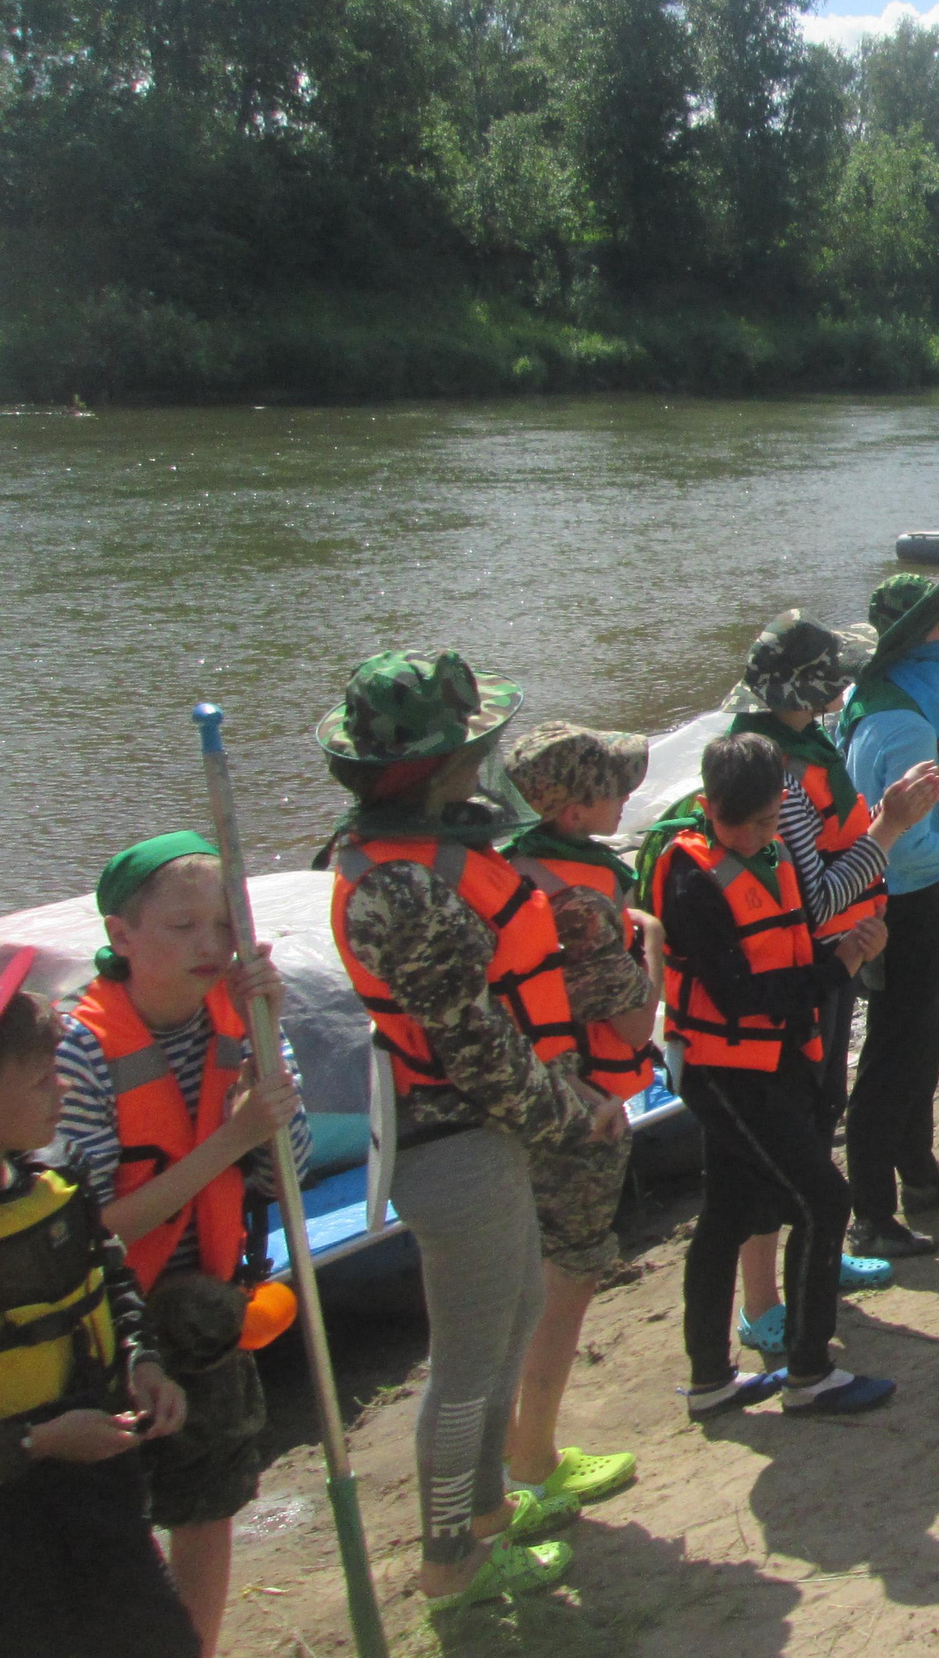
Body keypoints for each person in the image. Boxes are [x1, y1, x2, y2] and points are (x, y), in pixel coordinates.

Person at [320, 648, 617, 1611]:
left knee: (512, 1321)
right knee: (466, 1365)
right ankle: (450, 1565)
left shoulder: (428, 855)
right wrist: (580, 1117)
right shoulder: (399, 890)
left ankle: (489, 1519)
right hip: (455, 1145)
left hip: (484, 1139)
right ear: (432, 765)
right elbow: (477, 1052)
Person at [56, 833, 310, 1656]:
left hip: (206, 1303)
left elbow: (288, 1173)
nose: (211, 947)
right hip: (101, 1323)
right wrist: (232, 1140)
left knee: (209, 1502)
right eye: (182, 928)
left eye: (222, 927)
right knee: (108, 1529)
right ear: (122, 937)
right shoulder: (79, 1052)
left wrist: (270, 1050)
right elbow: (84, 1231)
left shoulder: (242, 1022)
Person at [655, 733, 939, 1419]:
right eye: (742, 825)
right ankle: (809, 1374)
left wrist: (844, 946)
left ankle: (711, 1383)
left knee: (725, 1213)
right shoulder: (692, 878)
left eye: (767, 822)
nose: (757, 836)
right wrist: (838, 966)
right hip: (726, 1072)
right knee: (824, 1201)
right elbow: (744, 995)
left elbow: (794, 939)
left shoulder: (779, 854)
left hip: (773, 1065)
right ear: (708, 807)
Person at [716, 615, 899, 1358]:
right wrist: (889, 830)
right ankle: (762, 1303)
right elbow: (814, 897)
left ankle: (814, 1258)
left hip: (826, 967)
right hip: (796, 977)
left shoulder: (796, 749)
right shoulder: (778, 777)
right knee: (775, 1142)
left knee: (818, 1118)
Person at [0, 983, 198, 1658]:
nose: (62, 1092)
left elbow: (112, 1277)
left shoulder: (59, 1176)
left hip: (96, 1489)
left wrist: (142, 1359)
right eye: (39, 1080)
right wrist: (37, 1443)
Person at [495, 724, 663, 1511]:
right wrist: (650, 940)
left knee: (522, 1282)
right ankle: (532, 1460)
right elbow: (634, 1025)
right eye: (613, 788)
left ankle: (511, 1453)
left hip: (520, 1095)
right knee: (567, 1280)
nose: (627, 795)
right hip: (582, 1107)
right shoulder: (583, 896)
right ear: (571, 812)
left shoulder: (505, 871)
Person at [839, 574, 939, 1254]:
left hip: (900, 900)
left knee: (921, 1045)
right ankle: (872, 1216)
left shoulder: (884, 699)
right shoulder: (905, 725)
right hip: (900, 906)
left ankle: (923, 1178)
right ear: (915, 638)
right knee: (893, 1057)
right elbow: (907, 852)